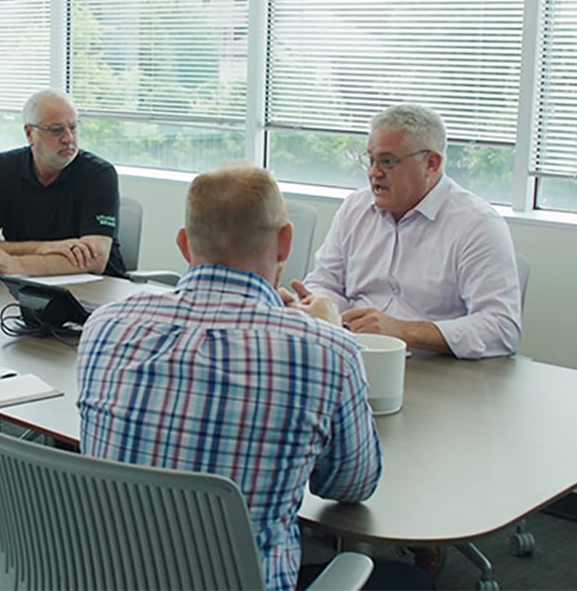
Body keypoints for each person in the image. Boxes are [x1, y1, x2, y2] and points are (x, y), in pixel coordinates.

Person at [76, 163, 382, 590]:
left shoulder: (105, 326)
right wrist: (328, 334)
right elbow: (351, 484)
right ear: (285, 242)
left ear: (184, 245)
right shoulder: (326, 350)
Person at [292, 103, 522, 360]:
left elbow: (501, 328)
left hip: (438, 371)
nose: (374, 173)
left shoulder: (477, 224)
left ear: (431, 163)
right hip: (353, 355)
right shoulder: (355, 208)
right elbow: (325, 282)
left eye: (388, 162)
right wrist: (320, 307)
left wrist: (404, 331)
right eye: (370, 160)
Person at [0, 89, 127, 277]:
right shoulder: (1, 168)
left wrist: (15, 264)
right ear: (30, 133)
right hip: (25, 288)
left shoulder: (99, 174)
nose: (68, 138)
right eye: (56, 129)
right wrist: (45, 248)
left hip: (98, 289)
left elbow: (95, 260)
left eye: (73, 127)